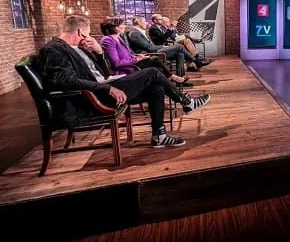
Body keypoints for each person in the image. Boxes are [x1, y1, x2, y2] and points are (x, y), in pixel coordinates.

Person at [39, 15, 211, 148]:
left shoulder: (78, 48)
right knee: (152, 72)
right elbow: (67, 81)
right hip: (93, 97)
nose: (88, 37)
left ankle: (159, 135)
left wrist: (99, 53)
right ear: (79, 32)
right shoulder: (53, 49)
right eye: (88, 33)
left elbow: (105, 73)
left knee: (157, 87)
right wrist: (108, 89)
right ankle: (186, 101)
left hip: (103, 86)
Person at [99, 16, 192, 87]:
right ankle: (191, 64)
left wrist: (137, 57)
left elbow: (129, 53)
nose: (124, 26)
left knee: (179, 53)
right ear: (114, 27)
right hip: (130, 66)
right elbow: (117, 63)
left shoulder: (119, 38)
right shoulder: (109, 40)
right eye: (122, 24)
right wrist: (137, 59)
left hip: (139, 58)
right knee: (176, 48)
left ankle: (174, 82)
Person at [128, 16, 209, 75]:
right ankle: (196, 61)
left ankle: (180, 78)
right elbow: (149, 47)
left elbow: (151, 45)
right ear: (138, 22)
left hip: (156, 49)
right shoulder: (135, 33)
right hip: (150, 54)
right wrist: (163, 46)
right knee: (179, 46)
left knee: (180, 54)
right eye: (145, 21)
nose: (147, 23)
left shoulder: (140, 32)